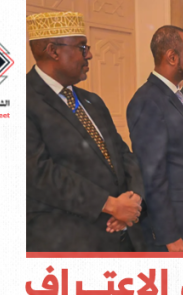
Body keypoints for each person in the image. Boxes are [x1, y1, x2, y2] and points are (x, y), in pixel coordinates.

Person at [26, 11, 145, 252]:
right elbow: (37, 172)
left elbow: (122, 154)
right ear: (53, 51)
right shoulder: (21, 100)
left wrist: (133, 199)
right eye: (82, 47)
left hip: (122, 236)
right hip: (68, 243)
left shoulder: (92, 101)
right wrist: (109, 205)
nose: (89, 54)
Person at [127, 25, 183, 252]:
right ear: (172, 57)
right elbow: (152, 174)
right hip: (175, 233)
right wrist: (169, 235)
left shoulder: (179, 96)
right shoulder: (148, 101)